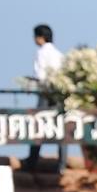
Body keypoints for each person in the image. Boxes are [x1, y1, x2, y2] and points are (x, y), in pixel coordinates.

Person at [22, 24, 64, 172]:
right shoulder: (59, 54)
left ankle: (32, 161)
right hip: (59, 93)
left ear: (40, 37)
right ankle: (62, 164)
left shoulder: (41, 52)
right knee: (60, 127)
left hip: (45, 93)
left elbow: (40, 76)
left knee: (38, 125)